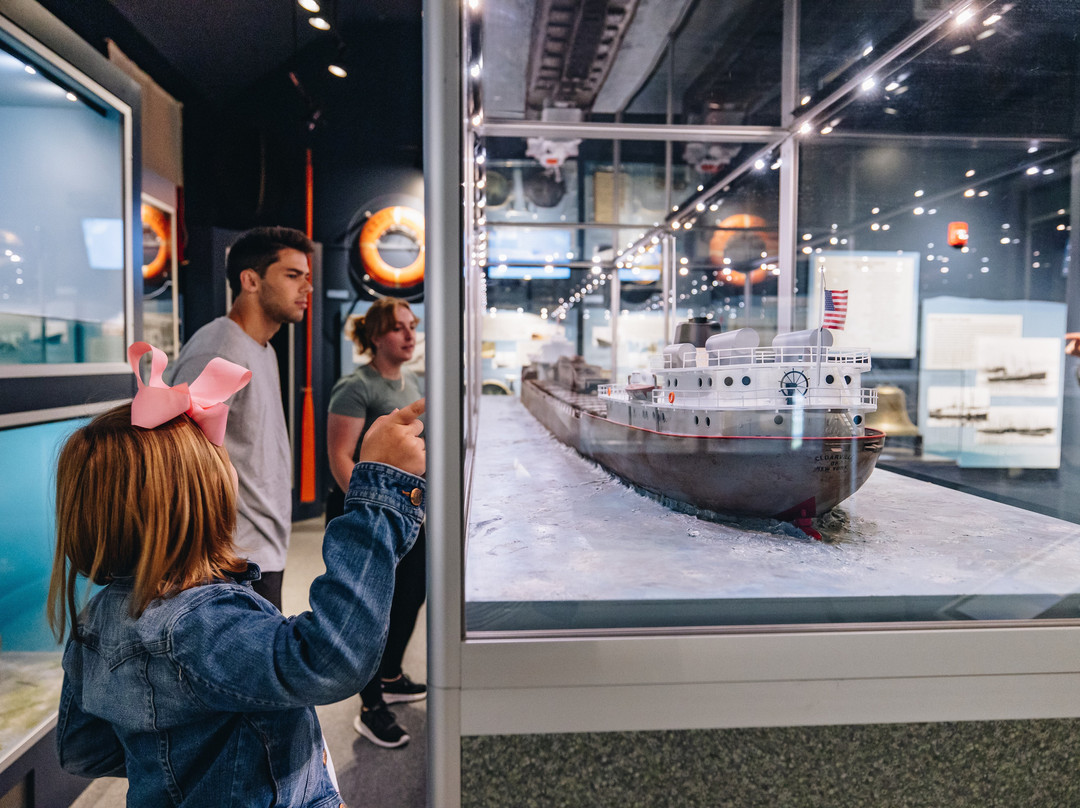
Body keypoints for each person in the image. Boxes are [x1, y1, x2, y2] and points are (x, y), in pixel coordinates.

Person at [48, 341, 426, 808]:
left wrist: (173, 759)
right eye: (221, 461)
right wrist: (380, 491)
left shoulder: (97, 618)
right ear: (196, 501)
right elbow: (330, 659)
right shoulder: (201, 624)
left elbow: (83, 749)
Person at [169, 226, 314, 611]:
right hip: (231, 558)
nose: (307, 288)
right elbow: (174, 454)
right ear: (250, 280)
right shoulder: (220, 347)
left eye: (308, 277)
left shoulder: (261, 348)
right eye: (292, 275)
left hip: (260, 548)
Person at [326, 297, 426, 748]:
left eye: (411, 326)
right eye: (398, 328)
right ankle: (371, 706)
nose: (409, 335)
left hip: (408, 514)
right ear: (375, 336)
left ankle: (389, 674)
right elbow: (341, 459)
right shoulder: (355, 387)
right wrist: (375, 513)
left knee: (411, 594)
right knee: (372, 606)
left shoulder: (415, 382)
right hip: (369, 513)